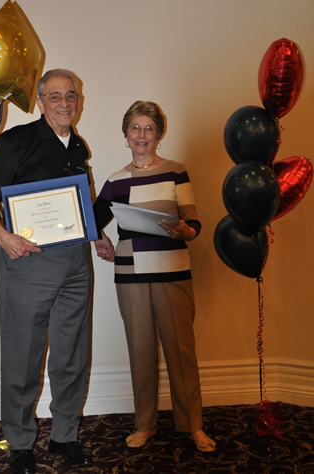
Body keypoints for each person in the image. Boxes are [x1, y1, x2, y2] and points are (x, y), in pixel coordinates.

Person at [0, 69, 113, 474]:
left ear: (79, 101)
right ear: (40, 101)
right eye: (55, 96)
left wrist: (97, 235)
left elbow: (82, 200)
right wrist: (4, 238)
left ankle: (65, 435)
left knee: (72, 355)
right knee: (23, 356)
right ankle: (20, 442)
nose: (64, 102)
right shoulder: (15, 142)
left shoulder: (79, 146)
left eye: (71, 95)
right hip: (27, 261)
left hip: (76, 264)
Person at [93, 101, 216, 452]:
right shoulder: (115, 181)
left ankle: (193, 425)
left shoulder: (177, 172)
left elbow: (193, 223)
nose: (142, 135)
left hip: (172, 270)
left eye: (149, 128)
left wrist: (185, 231)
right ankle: (144, 424)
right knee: (140, 350)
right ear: (125, 134)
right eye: (135, 128)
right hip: (130, 274)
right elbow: (91, 219)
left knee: (181, 349)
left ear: (159, 134)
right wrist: (99, 237)